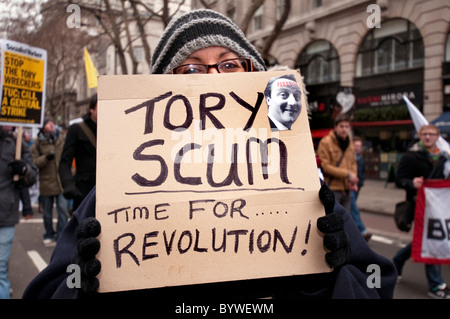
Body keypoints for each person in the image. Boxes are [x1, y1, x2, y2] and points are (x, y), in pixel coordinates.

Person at [23, 9, 396, 299]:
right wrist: (84, 285)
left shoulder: (303, 186)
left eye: (230, 63)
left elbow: (376, 284)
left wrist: (327, 281)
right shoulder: (117, 193)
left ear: (254, 75)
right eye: (191, 67)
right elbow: (45, 291)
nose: (215, 76)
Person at [393, 124, 450, 299]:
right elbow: (399, 178)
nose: (428, 137)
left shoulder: (444, 156)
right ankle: (435, 285)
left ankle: (395, 263)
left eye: (431, 134)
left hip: (440, 208)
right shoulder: (411, 155)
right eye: (424, 134)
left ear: (438, 136)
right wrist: (411, 183)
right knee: (431, 241)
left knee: (425, 240)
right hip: (420, 205)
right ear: (420, 135)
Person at [0, 125, 37, 299]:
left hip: (5, 213)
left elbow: (31, 177)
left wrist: (24, 170)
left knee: (0, 269)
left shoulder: (17, 144)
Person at [31, 118, 69, 247]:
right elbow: (35, 162)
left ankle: (61, 235)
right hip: (46, 182)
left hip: (61, 181)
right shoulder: (37, 144)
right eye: (48, 123)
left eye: (52, 123)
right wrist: (45, 158)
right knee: (47, 213)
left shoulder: (61, 139)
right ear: (43, 127)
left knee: (63, 210)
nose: (51, 125)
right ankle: (48, 233)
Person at [59, 94, 97, 212]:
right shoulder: (76, 129)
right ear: (91, 109)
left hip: (109, 191)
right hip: (84, 192)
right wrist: (68, 184)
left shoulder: (114, 130)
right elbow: (65, 162)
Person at [317, 113, 358, 211]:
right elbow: (325, 166)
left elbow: (353, 162)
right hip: (332, 188)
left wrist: (353, 177)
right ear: (335, 127)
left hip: (346, 189)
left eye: (347, 127)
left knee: (346, 221)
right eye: (341, 126)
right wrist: (347, 174)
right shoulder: (326, 142)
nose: (344, 129)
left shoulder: (350, 143)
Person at [349, 136, 371, 241]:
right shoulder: (349, 157)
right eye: (356, 145)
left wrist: (360, 183)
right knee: (353, 208)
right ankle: (362, 231)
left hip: (358, 185)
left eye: (359, 146)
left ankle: (351, 231)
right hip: (350, 186)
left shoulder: (359, 157)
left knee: (350, 208)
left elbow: (362, 172)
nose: (358, 148)